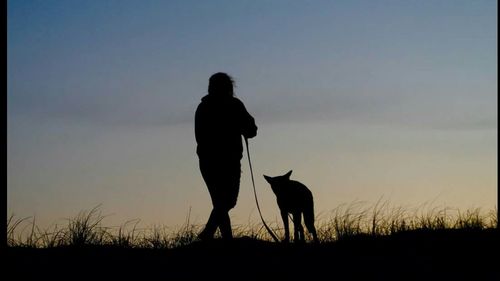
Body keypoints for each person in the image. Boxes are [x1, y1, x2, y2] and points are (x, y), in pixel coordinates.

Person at [195, 72, 258, 240]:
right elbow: (252, 129)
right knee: (227, 201)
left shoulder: (203, 107)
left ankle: (225, 239)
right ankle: (210, 233)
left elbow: (200, 136)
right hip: (227, 161)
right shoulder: (233, 104)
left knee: (220, 202)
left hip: (208, 161)